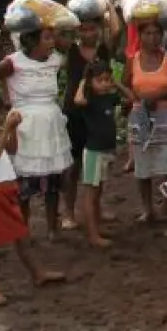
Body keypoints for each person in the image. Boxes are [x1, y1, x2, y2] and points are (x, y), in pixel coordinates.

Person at [0, 89, 65, 305]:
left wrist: (12, 130)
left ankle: (38, 273)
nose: (1, 117)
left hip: (6, 189)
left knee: (21, 236)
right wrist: (6, 127)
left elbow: (12, 149)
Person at [0, 28, 74, 241]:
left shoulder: (55, 60)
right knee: (24, 181)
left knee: (53, 178)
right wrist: (6, 98)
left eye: (53, 36)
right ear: (32, 40)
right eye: (47, 37)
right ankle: (22, 228)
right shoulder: (13, 62)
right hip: (24, 124)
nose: (52, 41)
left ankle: (52, 228)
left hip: (51, 123)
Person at [58, 12, 118, 231]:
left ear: (99, 29)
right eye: (83, 29)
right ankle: (68, 212)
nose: (88, 33)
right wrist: (65, 17)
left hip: (97, 112)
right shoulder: (71, 50)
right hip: (74, 112)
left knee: (99, 165)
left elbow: (117, 30)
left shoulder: (103, 50)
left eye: (92, 28)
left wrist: (108, 7)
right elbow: (55, 34)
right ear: (76, 31)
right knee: (73, 166)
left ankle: (96, 208)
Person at [123, 17, 167, 222]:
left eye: (156, 33)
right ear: (139, 36)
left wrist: (158, 96)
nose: (152, 37)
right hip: (141, 118)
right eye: (147, 33)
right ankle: (147, 209)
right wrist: (134, 100)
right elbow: (126, 86)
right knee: (143, 166)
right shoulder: (133, 60)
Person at [71, 60, 134, 247]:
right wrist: (84, 82)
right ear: (91, 82)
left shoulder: (109, 97)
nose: (105, 83)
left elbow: (131, 97)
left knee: (98, 192)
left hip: (106, 151)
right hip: (94, 152)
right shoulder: (89, 101)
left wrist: (117, 83)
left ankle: (96, 227)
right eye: (100, 80)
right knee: (91, 194)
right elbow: (78, 100)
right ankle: (92, 234)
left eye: (107, 80)